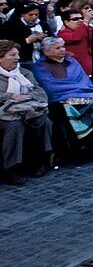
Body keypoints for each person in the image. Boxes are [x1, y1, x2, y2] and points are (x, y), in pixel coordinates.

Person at [30, 37, 93, 148]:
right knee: (68, 107)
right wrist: (73, 91)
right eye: (58, 48)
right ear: (46, 51)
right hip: (60, 98)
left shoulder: (72, 62)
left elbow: (83, 81)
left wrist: (76, 91)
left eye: (63, 46)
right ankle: (80, 144)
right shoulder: (40, 66)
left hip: (83, 93)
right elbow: (50, 87)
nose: (62, 49)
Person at [0, 40, 52, 185]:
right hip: (4, 114)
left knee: (43, 120)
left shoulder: (24, 73)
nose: (17, 58)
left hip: (26, 110)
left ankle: (41, 161)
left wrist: (27, 97)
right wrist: (10, 97)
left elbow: (40, 92)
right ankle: (9, 169)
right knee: (14, 126)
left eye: (17, 55)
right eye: (12, 55)